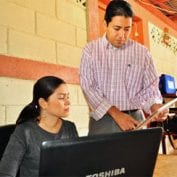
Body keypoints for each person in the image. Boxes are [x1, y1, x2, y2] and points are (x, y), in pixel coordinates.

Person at [80, 0, 168, 135]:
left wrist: (154, 105)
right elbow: (88, 86)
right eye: (117, 28)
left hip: (135, 119)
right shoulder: (90, 50)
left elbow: (150, 87)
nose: (122, 35)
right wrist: (116, 113)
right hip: (103, 120)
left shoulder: (142, 53)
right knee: (102, 156)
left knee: (137, 156)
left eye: (127, 29)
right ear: (105, 24)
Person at [0, 76, 78, 177]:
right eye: (61, 98)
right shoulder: (24, 132)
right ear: (43, 103)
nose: (68, 102)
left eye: (68, 97)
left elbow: (76, 167)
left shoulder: (70, 128)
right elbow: (6, 174)